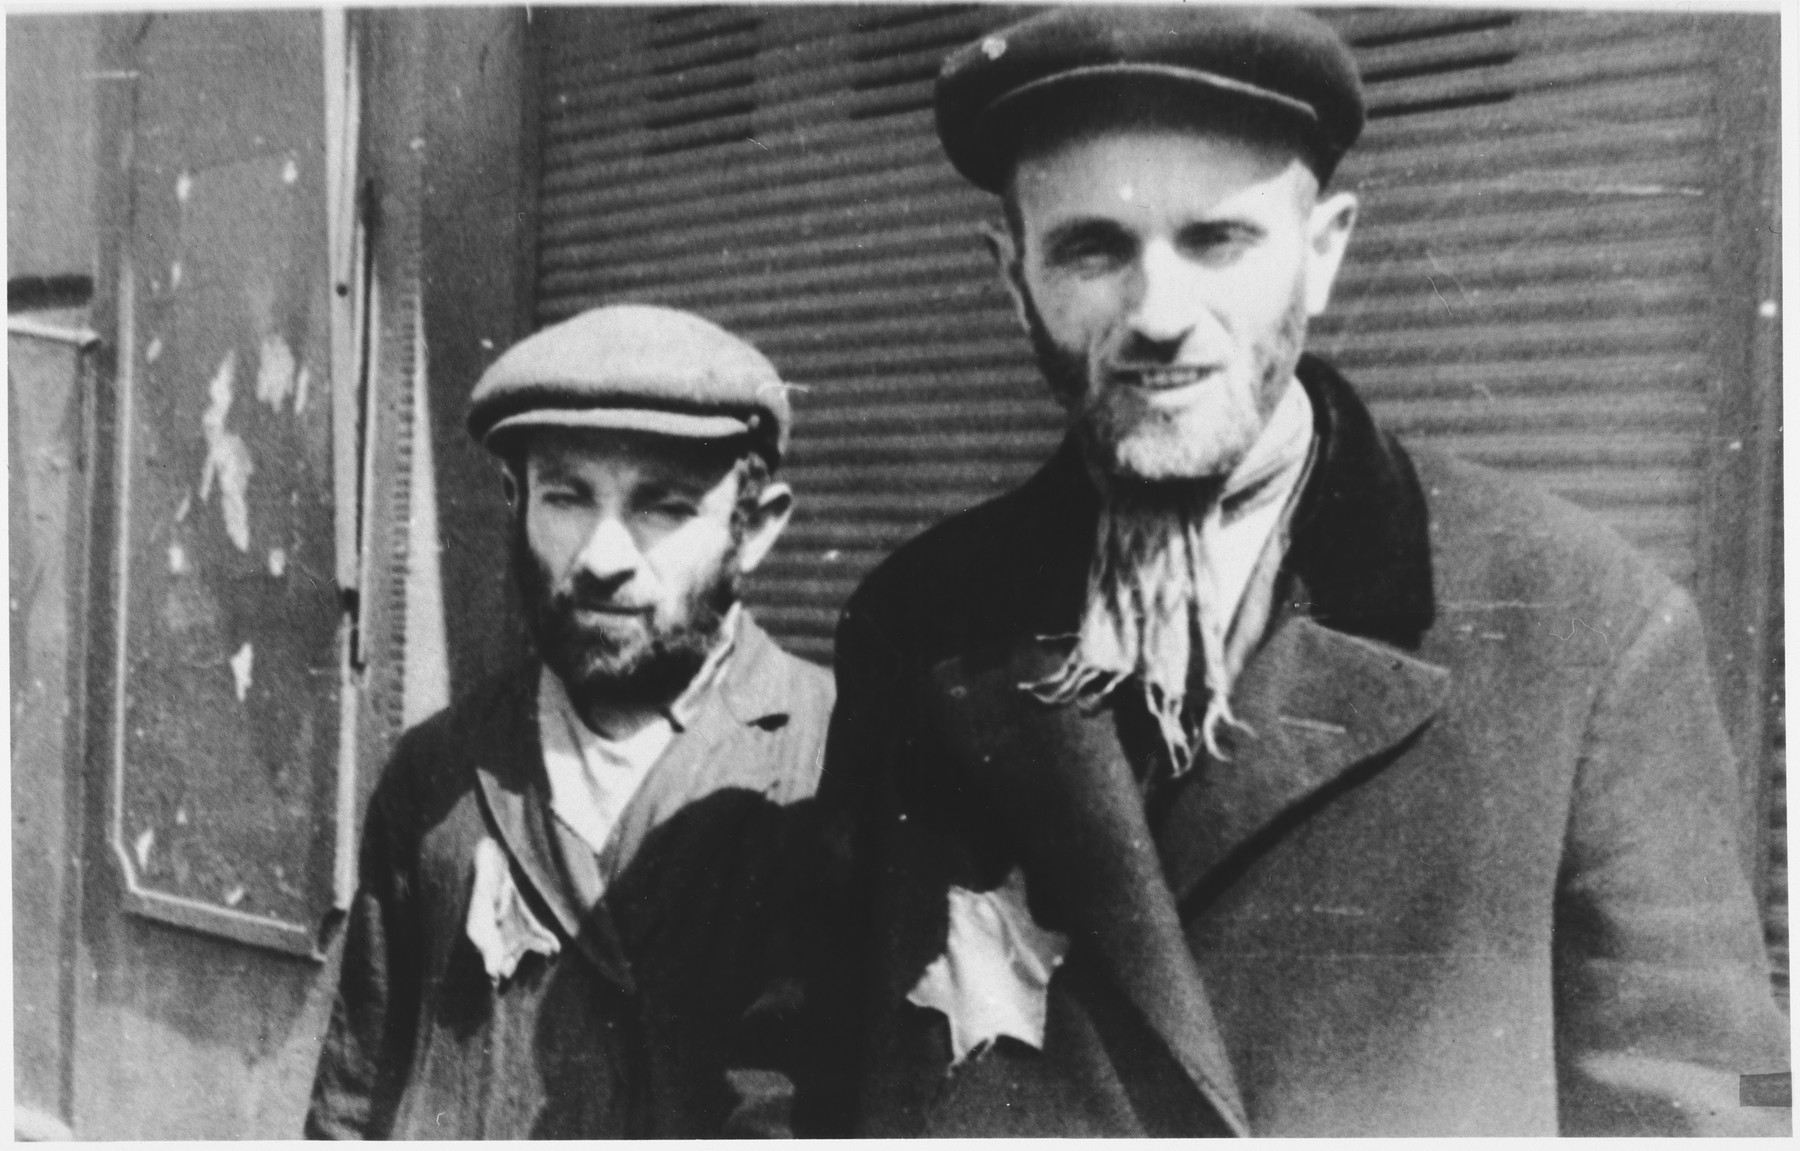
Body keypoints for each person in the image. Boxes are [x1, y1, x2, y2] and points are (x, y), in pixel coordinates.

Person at [803, 6, 1788, 1138]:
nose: (1158, 316)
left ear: (1324, 249)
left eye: (1218, 239)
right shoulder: (916, 623)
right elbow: (818, 1063)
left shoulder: (1584, 625)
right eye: (1092, 247)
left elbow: (1716, 1110)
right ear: (1011, 276)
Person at [306, 304, 834, 1138]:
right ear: (516, 503)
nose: (601, 555)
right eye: (567, 496)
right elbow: (354, 1096)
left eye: (661, 506)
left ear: (757, 528)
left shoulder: (835, 760)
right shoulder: (436, 770)